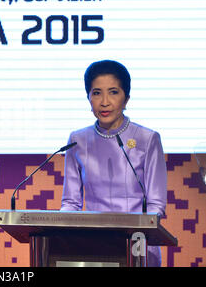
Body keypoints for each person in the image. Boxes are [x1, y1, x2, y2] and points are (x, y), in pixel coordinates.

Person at [60, 59, 168, 267]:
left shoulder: (147, 139)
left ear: (126, 99)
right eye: (96, 93)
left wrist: (136, 233)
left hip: (139, 245)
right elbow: (71, 204)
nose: (105, 102)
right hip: (93, 248)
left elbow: (156, 205)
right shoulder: (77, 141)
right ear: (88, 98)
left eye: (113, 92)